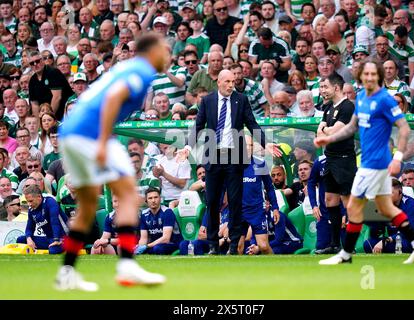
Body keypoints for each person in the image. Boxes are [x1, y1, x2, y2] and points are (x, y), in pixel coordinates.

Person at [55, 33, 169, 291]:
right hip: (91, 133)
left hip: (70, 134)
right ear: (152, 52)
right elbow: (113, 98)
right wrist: (104, 141)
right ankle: (127, 265)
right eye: (166, 50)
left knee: (86, 208)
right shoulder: (141, 70)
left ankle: (67, 272)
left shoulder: (128, 68)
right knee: (128, 194)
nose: (169, 56)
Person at [315, 59, 414, 265]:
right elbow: (351, 128)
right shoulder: (361, 99)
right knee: (386, 209)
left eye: (373, 74)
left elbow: (404, 128)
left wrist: (398, 157)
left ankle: (346, 254)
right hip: (368, 163)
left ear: (379, 77)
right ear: (361, 77)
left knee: (354, 207)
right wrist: (328, 139)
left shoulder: (385, 99)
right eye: (365, 74)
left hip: (376, 164)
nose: (369, 78)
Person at [178, 69, 280, 255]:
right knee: (213, 202)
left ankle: (234, 246)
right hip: (213, 157)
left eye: (233, 82)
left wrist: (266, 143)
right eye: (227, 82)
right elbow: (198, 126)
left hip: (234, 158)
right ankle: (213, 246)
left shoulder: (241, 99)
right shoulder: (207, 101)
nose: (231, 85)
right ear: (218, 82)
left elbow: (252, 123)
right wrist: (187, 147)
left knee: (235, 202)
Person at [316, 73, 356, 254]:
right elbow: (320, 133)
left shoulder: (348, 106)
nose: (321, 91)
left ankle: (350, 246)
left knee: (348, 203)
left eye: (324, 87)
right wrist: (326, 130)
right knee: (330, 200)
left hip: (344, 160)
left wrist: (326, 130)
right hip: (330, 159)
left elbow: (335, 130)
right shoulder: (328, 108)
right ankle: (334, 244)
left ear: (336, 88)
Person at [363, 178, 414, 254]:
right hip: (394, 240)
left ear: (400, 192)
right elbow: (376, 232)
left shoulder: (410, 204)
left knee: (403, 245)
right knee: (368, 244)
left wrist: (387, 240)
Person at [16, 185, 68, 254]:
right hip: (49, 239)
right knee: (21, 239)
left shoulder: (50, 202)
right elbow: (29, 228)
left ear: (39, 197)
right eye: (27, 201)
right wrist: (29, 238)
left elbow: (54, 222)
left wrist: (56, 239)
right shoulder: (31, 210)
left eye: (31, 201)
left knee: (53, 250)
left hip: (64, 237)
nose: (29, 204)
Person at [135, 187, 183, 255]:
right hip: (155, 244)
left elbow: (166, 239)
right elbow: (143, 238)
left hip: (172, 243)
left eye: (156, 197)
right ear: (146, 201)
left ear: (160, 199)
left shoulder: (167, 212)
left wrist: (146, 246)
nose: (153, 200)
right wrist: (139, 248)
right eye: (150, 198)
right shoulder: (144, 214)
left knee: (157, 248)